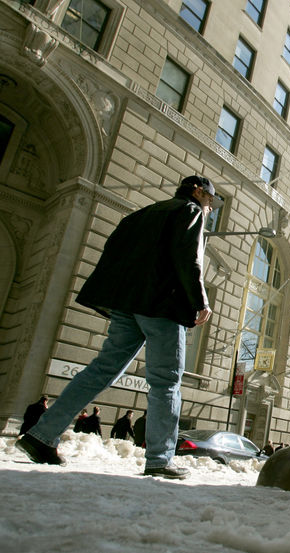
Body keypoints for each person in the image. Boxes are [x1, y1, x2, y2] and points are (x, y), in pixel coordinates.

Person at [15, 175, 215, 480]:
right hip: (162, 306)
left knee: (101, 370)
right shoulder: (190, 211)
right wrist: (200, 300)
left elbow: (113, 252)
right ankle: (160, 459)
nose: (210, 207)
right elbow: (188, 259)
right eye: (210, 200)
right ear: (198, 192)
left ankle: (41, 435)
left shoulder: (142, 214)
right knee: (166, 382)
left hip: (125, 305)